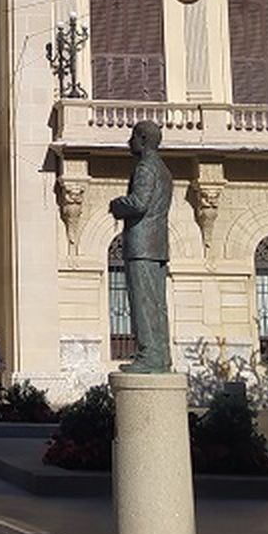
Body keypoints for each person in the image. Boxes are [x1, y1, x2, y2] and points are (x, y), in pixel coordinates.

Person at [110, 120, 174, 373]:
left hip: (142, 245)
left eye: (133, 136)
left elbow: (139, 202)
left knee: (143, 303)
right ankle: (161, 356)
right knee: (157, 304)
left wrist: (117, 204)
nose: (129, 141)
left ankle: (148, 356)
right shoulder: (164, 169)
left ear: (144, 140)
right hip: (156, 245)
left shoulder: (145, 167)